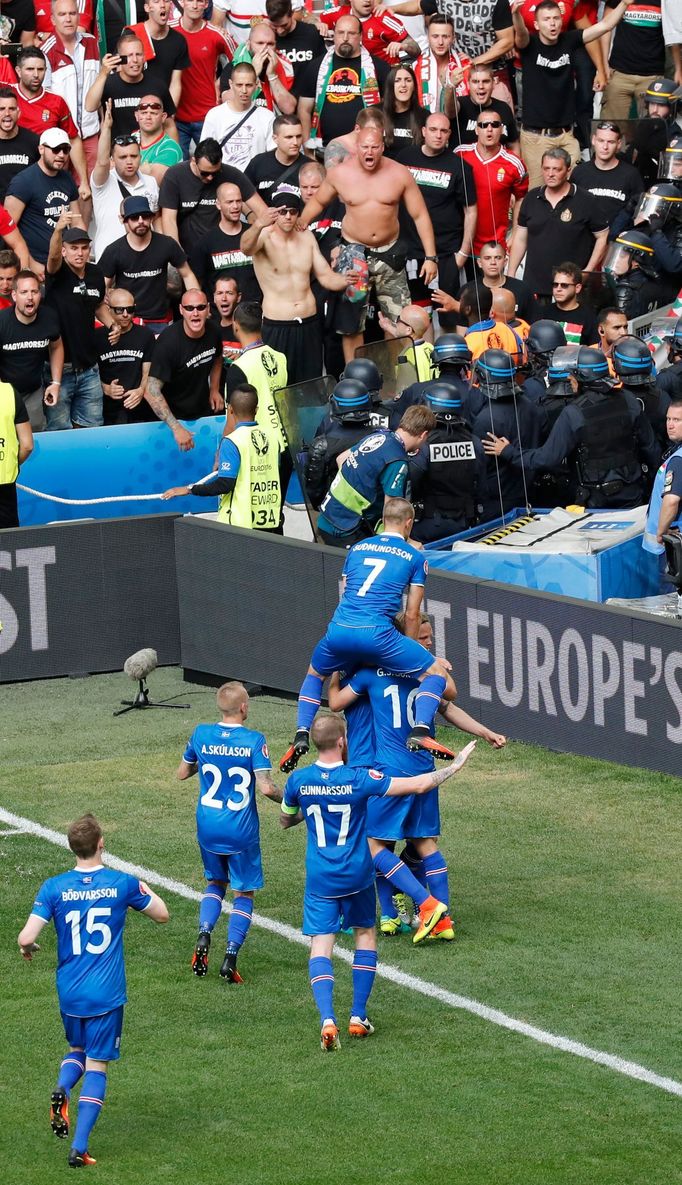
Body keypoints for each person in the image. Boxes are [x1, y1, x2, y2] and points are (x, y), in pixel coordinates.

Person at [280, 712, 473, 1049]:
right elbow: (417, 784)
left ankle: (327, 1019)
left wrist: (308, 806)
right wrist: (455, 767)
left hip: (320, 878)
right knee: (365, 935)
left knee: (321, 946)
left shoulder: (298, 781)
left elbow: (285, 819)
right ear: (342, 741)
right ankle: (357, 1016)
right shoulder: (359, 778)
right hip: (356, 874)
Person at [328, 610, 503, 937]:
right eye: (423, 638)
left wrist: (331, 671)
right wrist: (431, 662)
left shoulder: (367, 674)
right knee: (423, 842)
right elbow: (449, 700)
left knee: (373, 845)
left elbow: (335, 702)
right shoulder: (423, 673)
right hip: (425, 766)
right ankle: (438, 921)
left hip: (389, 769)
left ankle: (421, 906)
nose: (428, 641)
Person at [17, 812, 169, 1170]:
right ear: (102, 844)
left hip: (70, 992)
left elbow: (26, 937)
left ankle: (62, 1087)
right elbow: (163, 915)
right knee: (97, 1065)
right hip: (106, 993)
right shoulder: (121, 883)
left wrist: (28, 949)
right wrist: (143, 886)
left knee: (77, 1049)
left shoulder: (53, 887)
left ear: (73, 848)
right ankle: (79, 1148)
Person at [280, 492, 458, 772]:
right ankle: (421, 729)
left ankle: (302, 731)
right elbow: (412, 613)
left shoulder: (357, 548)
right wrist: (405, 652)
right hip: (378, 633)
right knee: (437, 676)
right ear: (409, 523)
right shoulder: (415, 557)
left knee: (314, 675)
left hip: (340, 628)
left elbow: (347, 591)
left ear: (382, 521)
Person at [299, 119, 437, 361]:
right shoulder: (340, 174)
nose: (369, 152)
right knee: (351, 323)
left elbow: (420, 214)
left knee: (399, 323)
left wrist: (430, 257)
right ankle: (355, 377)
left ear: (382, 147)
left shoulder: (399, 173)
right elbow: (319, 202)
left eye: (374, 147)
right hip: (353, 255)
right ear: (357, 147)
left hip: (390, 253)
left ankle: (398, 379)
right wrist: (299, 224)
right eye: (364, 147)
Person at [175, 681, 280, 983]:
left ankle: (204, 935)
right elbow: (266, 787)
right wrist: (291, 800)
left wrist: (208, 759)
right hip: (240, 830)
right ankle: (230, 957)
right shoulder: (253, 740)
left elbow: (183, 773)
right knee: (243, 892)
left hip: (207, 826)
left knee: (215, 882)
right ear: (244, 707)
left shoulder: (201, 733)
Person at [484, 346, 660, 509]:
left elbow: (546, 458)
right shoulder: (628, 399)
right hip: (632, 496)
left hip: (596, 504)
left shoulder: (574, 413)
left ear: (577, 379)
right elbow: (651, 449)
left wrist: (508, 451)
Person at [511, 0, 635, 188]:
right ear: (536, 24)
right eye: (546, 19)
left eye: (555, 19)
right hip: (536, 138)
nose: (552, 23)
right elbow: (520, 36)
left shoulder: (570, 39)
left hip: (566, 136)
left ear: (562, 22)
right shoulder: (530, 44)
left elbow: (605, 25)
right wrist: (516, 15)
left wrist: (624, 4)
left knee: (574, 191)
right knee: (535, 195)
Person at [240, 185, 350, 382]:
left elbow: (325, 275)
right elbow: (245, 248)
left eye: (292, 212)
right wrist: (258, 224)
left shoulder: (306, 236)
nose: (288, 217)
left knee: (311, 384)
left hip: (309, 323)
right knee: (280, 383)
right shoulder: (264, 236)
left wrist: (346, 280)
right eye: (282, 212)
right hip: (278, 324)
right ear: (275, 213)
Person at [162, 382, 283, 528]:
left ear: (230, 410)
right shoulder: (273, 437)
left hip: (241, 525)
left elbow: (224, 485)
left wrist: (189, 489)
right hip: (272, 520)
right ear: (256, 409)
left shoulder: (232, 441)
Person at [397, 111, 476, 313]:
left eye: (443, 131)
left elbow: (471, 211)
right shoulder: (404, 158)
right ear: (423, 131)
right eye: (433, 130)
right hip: (409, 252)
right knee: (416, 316)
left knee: (447, 315)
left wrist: (463, 254)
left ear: (449, 134)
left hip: (446, 254)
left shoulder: (460, 166)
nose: (438, 135)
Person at [44, 216, 118, 429]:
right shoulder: (57, 272)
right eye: (74, 248)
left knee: (92, 429)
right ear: (65, 250)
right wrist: (58, 231)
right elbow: (53, 258)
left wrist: (112, 324)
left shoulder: (96, 273)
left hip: (89, 367)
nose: (79, 253)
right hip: (59, 369)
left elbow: (97, 305)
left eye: (84, 248)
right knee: (59, 431)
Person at [507, 148, 609, 304]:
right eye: (546, 168)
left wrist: (587, 270)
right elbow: (520, 238)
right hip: (535, 285)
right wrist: (511, 273)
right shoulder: (531, 198)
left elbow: (602, 236)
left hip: (571, 286)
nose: (550, 174)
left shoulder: (586, 200)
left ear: (568, 170)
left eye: (556, 169)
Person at [99, 194, 197, 331]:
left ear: (151, 218)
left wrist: (196, 304)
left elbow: (187, 275)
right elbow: (100, 288)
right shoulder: (114, 250)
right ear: (125, 221)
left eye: (145, 216)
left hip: (160, 320)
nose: (140, 221)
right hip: (126, 321)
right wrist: (111, 318)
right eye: (134, 217)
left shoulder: (167, 244)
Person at [295, 14, 389, 150]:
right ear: (334, 35)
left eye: (351, 33)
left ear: (361, 36)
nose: (345, 38)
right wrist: (307, 147)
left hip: (366, 150)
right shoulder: (316, 66)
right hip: (323, 149)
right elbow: (304, 109)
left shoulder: (378, 67)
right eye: (340, 33)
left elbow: (390, 110)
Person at [145, 288, 224, 449]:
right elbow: (150, 391)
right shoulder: (168, 343)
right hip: (172, 419)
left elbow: (217, 357)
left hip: (202, 412)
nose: (195, 313)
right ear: (181, 310)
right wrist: (176, 428)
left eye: (200, 307)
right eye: (189, 308)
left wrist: (214, 389)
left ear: (208, 309)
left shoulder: (214, 331)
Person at [470, 347, 544, 519]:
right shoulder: (530, 406)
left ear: (481, 376)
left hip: (498, 504)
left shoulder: (486, 418)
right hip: (530, 494)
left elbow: (479, 469)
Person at [159, 137, 266, 254]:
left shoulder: (231, 174)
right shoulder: (175, 175)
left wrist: (252, 216)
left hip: (224, 251)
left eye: (215, 173)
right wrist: (178, 257)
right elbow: (169, 220)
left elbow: (263, 211)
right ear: (193, 161)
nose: (210, 177)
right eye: (204, 173)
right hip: (189, 249)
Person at [408, 379, 485, 540]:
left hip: (429, 523)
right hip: (466, 523)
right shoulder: (474, 441)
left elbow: (411, 481)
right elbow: (481, 481)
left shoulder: (423, 443)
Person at [9, 46, 90, 190]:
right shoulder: (6, 94)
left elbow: (73, 139)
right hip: (9, 168)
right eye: (30, 69)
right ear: (18, 71)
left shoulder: (56, 101)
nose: (36, 75)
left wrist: (84, 181)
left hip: (46, 174)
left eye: (41, 70)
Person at [5, 127, 83, 273]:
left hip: (64, 262)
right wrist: (29, 263)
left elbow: (77, 221)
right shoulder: (23, 181)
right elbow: (8, 230)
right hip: (36, 263)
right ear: (41, 149)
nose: (61, 155)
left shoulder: (67, 178)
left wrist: (80, 253)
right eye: (55, 149)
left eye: (66, 150)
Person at [453, 107, 527, 258]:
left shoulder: (514, 163)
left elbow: (521, 198)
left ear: (502, 129)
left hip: (495, 246)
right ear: (476, 130)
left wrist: (514, 235)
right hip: (459, 243)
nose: (489, 129)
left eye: (494, 125)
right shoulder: (460, 154)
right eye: (483, 125)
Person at [90, 101, 160, 260]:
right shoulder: (103, 182)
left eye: (133, 156)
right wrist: (106, 128)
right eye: (122, 157)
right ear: (112, 159)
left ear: (140, 157)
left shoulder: (151, 182)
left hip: (145, 259)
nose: (129, 161)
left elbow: (155, 220)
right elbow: (101, 162)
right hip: (111, 259)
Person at [42, 0, 100, 188]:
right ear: (52, 19)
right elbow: (46, 99)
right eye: (62, 14)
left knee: (89, 189)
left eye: (72, 13)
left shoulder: (92, 43)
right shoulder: (46, 50)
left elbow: (101, 85)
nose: (68, 19)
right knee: (58, 188)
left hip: (91, 132)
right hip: (62, 136)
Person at [171, 0, 237, 159]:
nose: (194, 5)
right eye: (190, 0)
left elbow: (240, 62)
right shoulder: (169, 30)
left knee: (211, 166)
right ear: (182, 2)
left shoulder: (217, 34)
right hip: (176, 117)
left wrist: (221, 82)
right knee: (178, 168)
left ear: (206, 4)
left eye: (199, 1)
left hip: (207, 116)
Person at [0, 268, 62, 431]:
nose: (30, 297)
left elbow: (56, 346)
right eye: (24, 292)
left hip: (33, 391)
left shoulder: (49, 317)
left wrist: (55, 383)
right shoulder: (2, 322)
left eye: (34, 291)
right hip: (4, 391)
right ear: (14, 296)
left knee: (33, 441)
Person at [84, 31, 176, 141]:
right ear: (119, 58)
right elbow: (89, 106)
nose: (135, 60)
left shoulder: (157, 85)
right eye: (129, 56)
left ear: (144, 57)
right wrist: (103, 73)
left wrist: (175, 155)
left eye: (138, 54)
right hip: (117, 152)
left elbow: (169, 125)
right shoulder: (108, 83)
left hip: (150, 153)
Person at [304, 377, 375, 509]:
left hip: (335, 511)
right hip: (372, 510)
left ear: (335, 406)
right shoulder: (381, 437)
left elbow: (314, 490)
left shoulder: (322, 444)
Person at [189, 180, 260, 301]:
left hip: (253, 312)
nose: (235, 206)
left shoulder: (254, 235)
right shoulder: (205, 242)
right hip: (220, 314)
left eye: (238, 201)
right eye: (229, 202)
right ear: (218, 204)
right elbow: (198, 282)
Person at [94, 288, 155, 425]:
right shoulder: (97, 337)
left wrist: (141, 390)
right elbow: (88, 375)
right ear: (108, 310)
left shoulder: (145, 335)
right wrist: (106, 389)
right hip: (108, 408)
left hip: (140, 406)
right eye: (119, 310)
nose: (126, 314)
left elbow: (149, 370)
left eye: (130, 309)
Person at [201, 61, 276, 171]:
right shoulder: (215, 115)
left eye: (249, 85)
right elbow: (206, 153)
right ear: (231, 84)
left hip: (254, 181)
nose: (244, 90)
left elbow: (272, 155)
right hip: (223, 180)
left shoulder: (267, 117)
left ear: (256, 85)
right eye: (239, 85)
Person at [571, 120, 643, 231]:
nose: (605, 147)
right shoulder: (579, 172)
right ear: (593, 140)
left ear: (619, 144)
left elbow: (639, 213)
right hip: (584, 237)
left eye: (610, 142)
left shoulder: (631, 175)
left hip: (618, 239)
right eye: (601, 141)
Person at [600, 0, 666, 121]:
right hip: (619, 73)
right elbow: (605, 27)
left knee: (650, 131)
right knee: (610, 129)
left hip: (652, 76)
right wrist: (603, 65)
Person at [642, 397, 682, 587]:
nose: (670, 425)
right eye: (668, 419)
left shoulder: (678, 460)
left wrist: (661, 532)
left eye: (677, 420)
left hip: (672, 546)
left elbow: (672, 500)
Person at [220, 19, 296, 116]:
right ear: (248, 44)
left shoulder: (286, 67)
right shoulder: (234, 67)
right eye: (260, 43)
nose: (265, 48)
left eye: (270, 44)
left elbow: (289, 109)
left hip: (273, 126)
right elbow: (227, 103)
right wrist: (253, 73)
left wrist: (272, 76)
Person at [126, 0, 191, 109]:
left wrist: (170, 114)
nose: (162, 5)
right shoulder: (132, 34)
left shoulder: (178, 40)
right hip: (133, 107)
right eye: (156, 2)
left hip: (160, 110)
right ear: (147, 8)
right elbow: (119, 73)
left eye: (166, 1)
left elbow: (175, 83)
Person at [319, 0, 420, 66]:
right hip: (351, 72)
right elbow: (309, 19)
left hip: (382, 76)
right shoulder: (337, 14)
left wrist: (404, 46)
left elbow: (416, 49)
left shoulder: (384, 19)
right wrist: (317, 24)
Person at [411, 13, 469, 120]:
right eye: (435, 36)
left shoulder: (465, 66)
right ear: (428, 38)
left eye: (445, 36)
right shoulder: (415, 68)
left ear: (453, 38)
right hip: (425, 126)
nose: (440, 42)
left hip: (460, 126)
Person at [452, 62, 519, 152]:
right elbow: (449, 110)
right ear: (468, 84)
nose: (481, 86)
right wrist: (450, 86)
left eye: (485, 81)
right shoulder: (459, 104)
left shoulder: (504, 108)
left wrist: (515, 165)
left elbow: (513, 144)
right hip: (463, 164)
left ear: (493, 83)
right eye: (475, 82)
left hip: (497, 165)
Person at [602, 227, 661, 319]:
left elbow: (620, 328)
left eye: (621, 256)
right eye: (615, 254)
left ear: (637, 261)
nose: (616, 261)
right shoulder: (654, 281)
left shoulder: (626, 290)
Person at [244, 112, 305, 199]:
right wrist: (253, 213)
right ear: (275, 139)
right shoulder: (259, 163)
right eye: (289, 137)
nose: (295, 142)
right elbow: (242, 194)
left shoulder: (310, 167)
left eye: (298, 136)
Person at [267, 0, 325, 89]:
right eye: (275, 26)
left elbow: (323, 68)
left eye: (284, 25)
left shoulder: (311, 33)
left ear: (292, 13)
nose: (280, 31)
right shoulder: (267, 37)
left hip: (309, 98)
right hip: (279, 97)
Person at [459, 283, 526, 361]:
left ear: (468, 309)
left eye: (461, 300)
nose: (459, 302)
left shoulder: (467, 343)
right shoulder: (508, 329)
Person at [0, 373, 32, 527]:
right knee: (8, 544)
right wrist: (12, 463)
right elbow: (27, 445)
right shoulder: (9, 392)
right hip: (4, 479)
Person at [543, 262, 599, 346]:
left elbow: (594, 349)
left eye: (564, 285)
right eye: (555, 284)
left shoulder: (589, 317)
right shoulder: (543, 313)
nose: (558, 289)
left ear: (577, 288)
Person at [0, 85, 39, 202]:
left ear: (19, 113)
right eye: (1, 109)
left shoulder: (34, 141)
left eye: (11, 109)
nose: (7, 113)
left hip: (28, 210)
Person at [135, 93, 183, 182]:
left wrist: (126, 169)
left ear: (163, 117)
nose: (148, 117)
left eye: (153, 113)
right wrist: (144, 169)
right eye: (144, 113)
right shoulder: (130, 139)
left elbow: (153, 182)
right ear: (137, 116)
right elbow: (110, 169)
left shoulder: (171, 147)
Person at [381, 63, 426, 157]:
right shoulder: (375, 112)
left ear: (414, 86)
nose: (403, 85)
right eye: (397, 81)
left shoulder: (424, 116)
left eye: (408, 80)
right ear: (390, 85)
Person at [212, 275, 243, 370]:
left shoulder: (247, 327)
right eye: (219, 293)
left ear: (238, 297)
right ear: (214, 297)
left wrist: (242, 359)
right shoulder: (210, 329)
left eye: (229, 293)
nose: (224, 298)